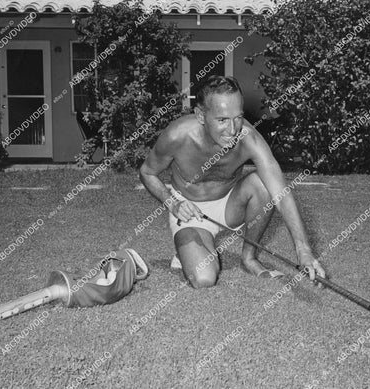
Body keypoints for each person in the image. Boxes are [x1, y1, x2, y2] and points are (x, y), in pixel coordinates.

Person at [139, 75, 325, 288]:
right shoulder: (177, 136)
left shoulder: (248, 137)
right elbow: (147, 173)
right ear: (201, 116)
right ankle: (186, 252)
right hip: (190, 211)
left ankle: (249, 257)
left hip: (230, 204)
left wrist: (304, 252)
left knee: (263, 184)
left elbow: (280, 194)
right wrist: (173, 203)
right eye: (222, 120)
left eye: (238, 117)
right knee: (204, 279)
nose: (233, 129)